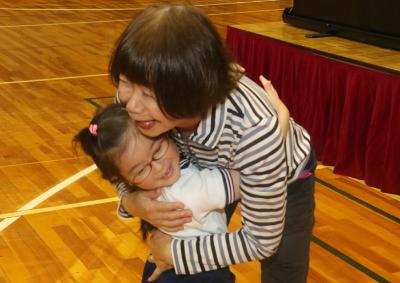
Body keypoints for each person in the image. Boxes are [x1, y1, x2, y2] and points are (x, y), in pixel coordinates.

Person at [109, 4, 316, 283]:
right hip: (206, 164)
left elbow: (261, 240)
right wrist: (131, 200)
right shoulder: (142, 92)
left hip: (278, 168)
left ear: (192, 90)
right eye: (125, 82)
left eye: (148, 94)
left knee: (284, 269)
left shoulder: (255, 132)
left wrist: (178, 253)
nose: (132, 106)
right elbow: (114, 158)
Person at [73, 103, 242, 282]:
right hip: (202, 272)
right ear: (126, 180)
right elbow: (251, 178)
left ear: (165, 132)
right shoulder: (192, 188)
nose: (159, 168)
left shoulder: (145, 191)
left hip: (159, 266)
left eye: (157, 151)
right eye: (141, 170)